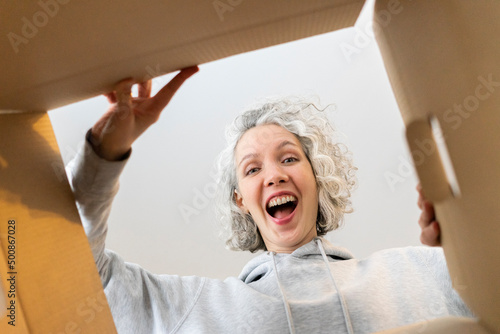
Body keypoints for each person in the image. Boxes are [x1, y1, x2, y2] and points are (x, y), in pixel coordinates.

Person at [66, 67, 473, 333]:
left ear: (317, 178)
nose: (275, 174)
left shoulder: (421, 270)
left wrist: (472, 241)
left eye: (289, 158)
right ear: (240, 201)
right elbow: (77, 266)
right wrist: (105, 152)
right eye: (252, 168)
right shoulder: (195, 306)